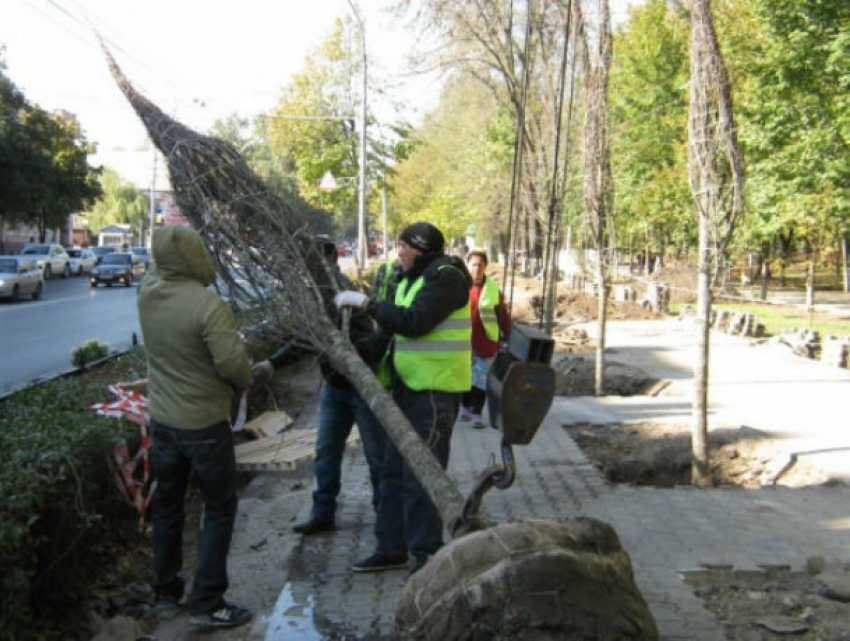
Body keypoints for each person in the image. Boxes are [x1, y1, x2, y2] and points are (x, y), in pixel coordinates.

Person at [334, 221, 471, 576]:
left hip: (435, 392)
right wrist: (355, 352)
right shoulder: (413, 278)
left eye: (404, 247)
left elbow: (414, 322)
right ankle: (391, 548)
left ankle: (426, 555)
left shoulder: (447, 277)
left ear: (420, 248)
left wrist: (367, 304)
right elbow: (394, 332)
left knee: (422, 474)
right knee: (392, 470)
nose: (399, 254)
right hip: (408, 387)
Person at [138, 226, 253, 630]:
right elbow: (233, 366)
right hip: (204, 424)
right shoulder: (208, 306)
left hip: (163, 423)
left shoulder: (148, 295)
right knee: (219, 508)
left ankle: (166, 592)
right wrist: (243, 376)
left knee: (167, 507)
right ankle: (207, 600)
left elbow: (157, 270)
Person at [252, 239, 387, 535]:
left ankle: (386, 517)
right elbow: (307, 338)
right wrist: (273, 364)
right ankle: (323, 512)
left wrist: (350, 355)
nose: (306, 265)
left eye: (312, 259)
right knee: (326, 452)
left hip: (361, 385)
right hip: (335, 388)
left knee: (376, 454)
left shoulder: (340, 291)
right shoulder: (312, 292)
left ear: (330, 258)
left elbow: (368, 336)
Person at [460, 250, 511, 428]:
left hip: (485, 342)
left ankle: (476, 414)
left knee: (479, 379)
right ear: (468, 266)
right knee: (465, 377)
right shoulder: (459, 286)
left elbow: (502, 315)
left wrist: (507, 335)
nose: (476, 268)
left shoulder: (492, 289)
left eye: (480, 265)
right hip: (463, 341)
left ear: (485, 267)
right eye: (473, 264)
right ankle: (465, 407)